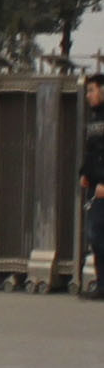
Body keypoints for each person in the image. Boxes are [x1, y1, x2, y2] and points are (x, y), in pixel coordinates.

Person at [83, 74, 104, 297]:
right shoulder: (94, 118)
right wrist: (84, 173)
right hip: (95, 187)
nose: (88, 95)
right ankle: (101, 284)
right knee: (96, 236)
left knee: (98, 235)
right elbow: (92, 151)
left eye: (92, 90)